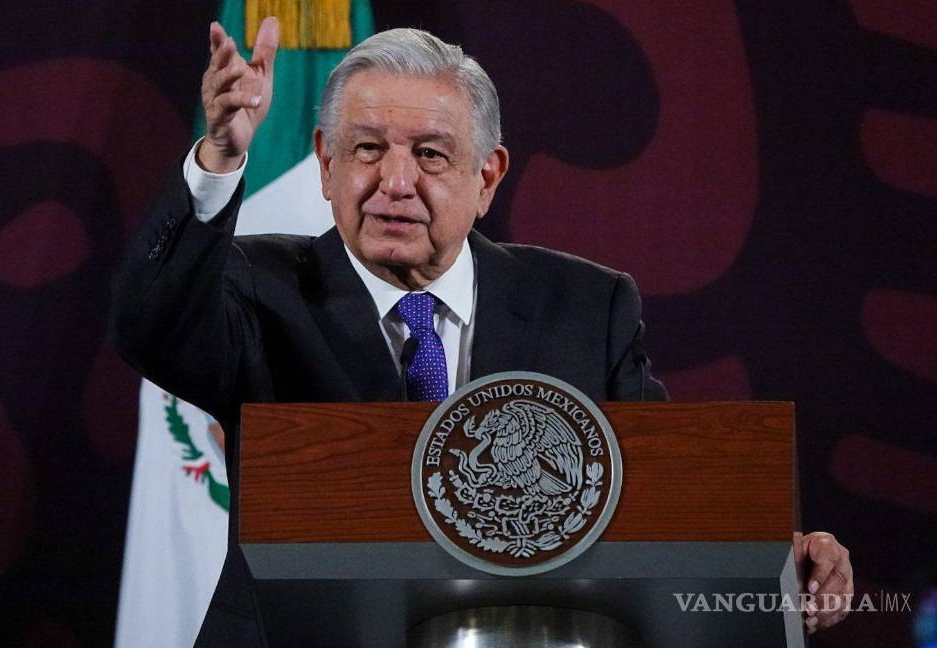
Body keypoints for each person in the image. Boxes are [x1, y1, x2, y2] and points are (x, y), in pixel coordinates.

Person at [110, 17, 853, 645]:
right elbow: (151, 328)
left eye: (430, 154)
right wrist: (220, 157)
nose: (396, 181)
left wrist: (775, 561)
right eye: (366, 149)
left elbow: (658, 498)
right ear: (326, 165)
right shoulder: (258, 285)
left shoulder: (586, 306)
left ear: (487, 177)